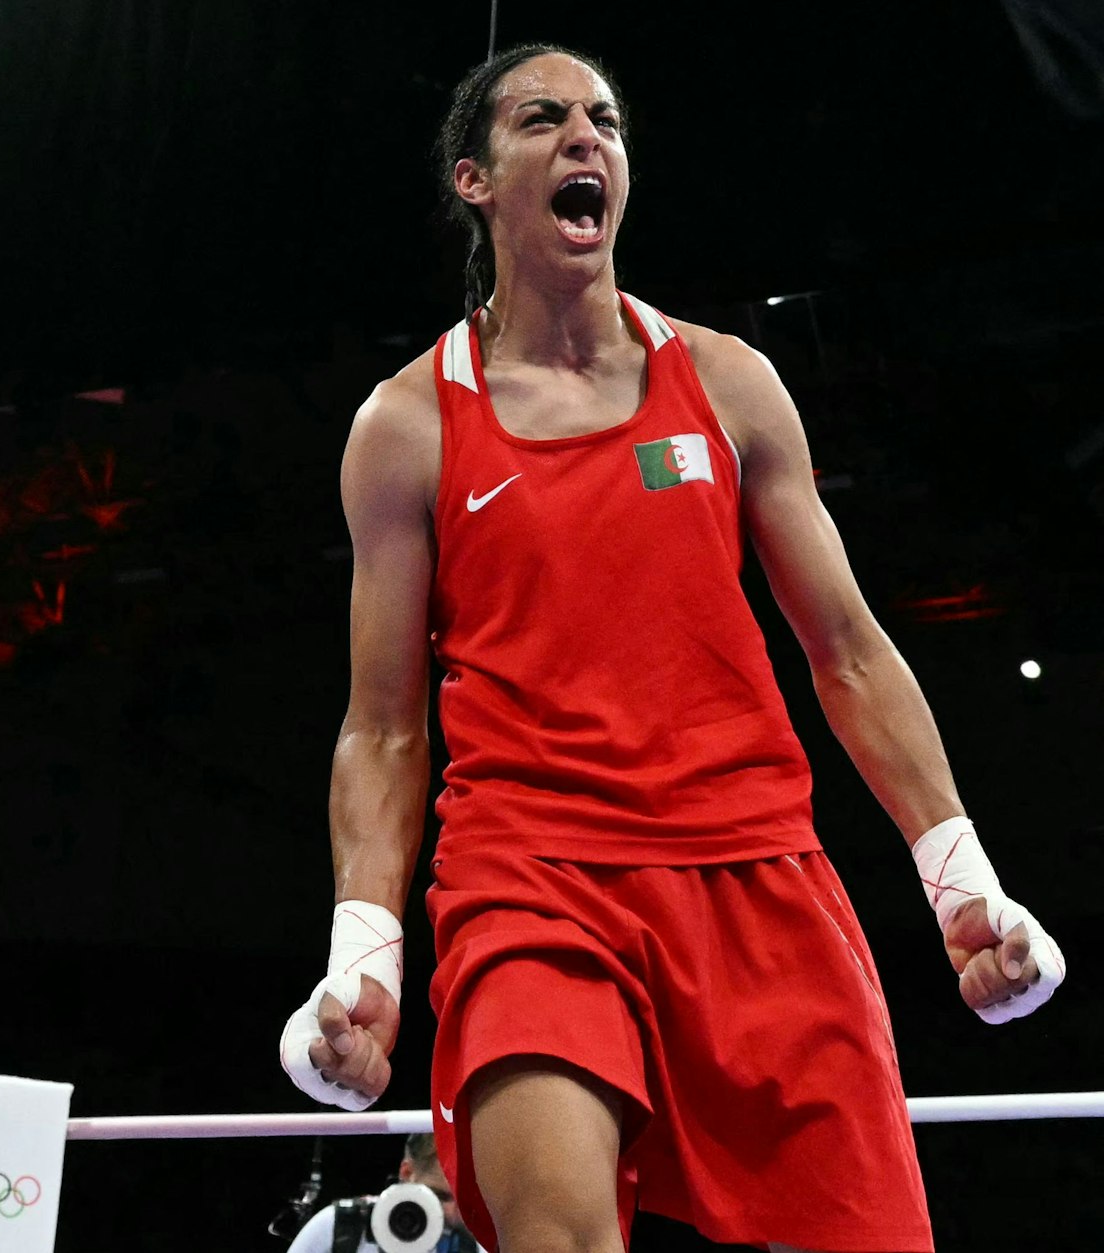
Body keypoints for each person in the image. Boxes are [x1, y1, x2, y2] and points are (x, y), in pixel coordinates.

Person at [278, 43, 1066, 1253]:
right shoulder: (407, 423)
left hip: (754, 868)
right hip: (528, 877)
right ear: (475, 181)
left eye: (603, 118)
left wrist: (959, 874)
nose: (584, 137)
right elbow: (381, 723)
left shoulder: (729, 383)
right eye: (542, 119)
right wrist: (364, 948)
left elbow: (848, 652)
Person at [286, 1134, 481, 1253]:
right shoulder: (340, 1227)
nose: (452, 1213)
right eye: (440, 1196)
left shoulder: (478, 1244)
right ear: (407, 1173)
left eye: (464, 1201)